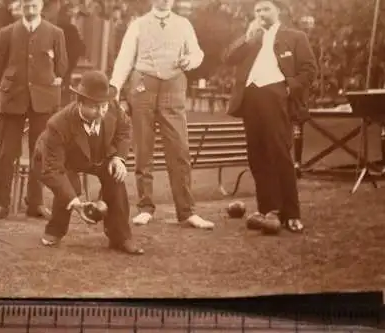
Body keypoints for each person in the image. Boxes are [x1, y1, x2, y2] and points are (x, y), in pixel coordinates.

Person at [109, 0, 214, 229]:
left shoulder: (183, 24)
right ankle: (145, 207)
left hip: (173, 87)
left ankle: (187, 211)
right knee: (142, 148)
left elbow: (197, 53)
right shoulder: (138, 24)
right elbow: (125, 57)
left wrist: (190, 61)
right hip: (143, 85)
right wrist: (115, 88)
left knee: (179, 149)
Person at [223, 0, 317, 234]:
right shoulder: (251, 38)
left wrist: (289, 87)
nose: (261, 14)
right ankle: (267, 210)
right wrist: (247, 38)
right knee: (256, 154)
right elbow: (228, 58)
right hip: (251, 97)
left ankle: (291, 213)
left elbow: (309, 69)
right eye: (257, 10)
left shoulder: (294, 36)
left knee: (280, 153)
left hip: (276, 95)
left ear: (278, 11)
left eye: (266, 9)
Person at [32, 70, 144, 255]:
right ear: (79, 103)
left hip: (98, 156)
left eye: (103, 106)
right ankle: (55, 231)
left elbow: (124, 130)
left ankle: (121, 237)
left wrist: (119, 158)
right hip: (58, 160)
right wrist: (76, 203)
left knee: (115, 177)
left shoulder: (113, 108)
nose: (101, 112)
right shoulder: (58, 124)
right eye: (94, 107)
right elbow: (53, 169)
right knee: (70, 187)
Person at [0, 0, 68, 221]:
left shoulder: (55, 33)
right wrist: (11, 85)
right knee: (7, 153)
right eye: (26, 5)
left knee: (39, 153)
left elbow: (62, 66)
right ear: (20, 6)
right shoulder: (7, 33)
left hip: (43, 100)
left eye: (34, 5)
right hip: (12, 100)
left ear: (41, 5)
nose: (30, 10)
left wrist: (45, 83)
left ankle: (36, 203)